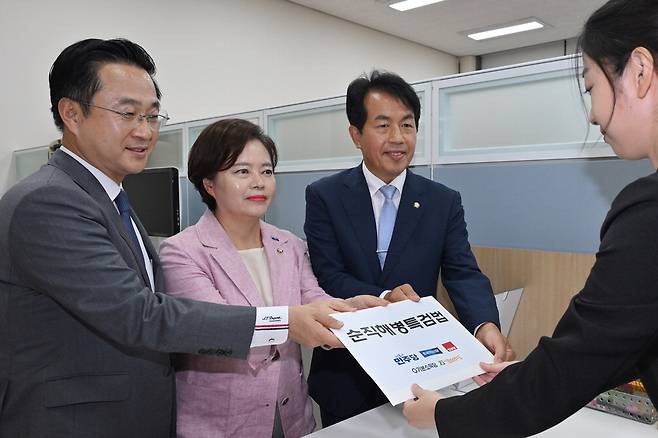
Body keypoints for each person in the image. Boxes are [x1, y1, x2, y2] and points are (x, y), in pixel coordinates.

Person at [0, 38, 360, 438]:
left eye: (153, 116)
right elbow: (143, 315)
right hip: (77, 421)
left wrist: (350, 311)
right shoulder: (50, 201)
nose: (144, 131)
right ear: (71, 113)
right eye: (127, 113)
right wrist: (287, 323)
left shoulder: (111, 198)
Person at [403, 1, 658, 436]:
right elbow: (619, 345)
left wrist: (444, 414)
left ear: (638, 71)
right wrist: (525, 378)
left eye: (590, 86)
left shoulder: (648, 214)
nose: (593, 113)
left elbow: (573, 364)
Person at [304, 69, 515, 426]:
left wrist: (485, 325)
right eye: (383, 125)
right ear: (356, 134)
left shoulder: (442, 201)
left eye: (408, 125)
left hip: (419, 373)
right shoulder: (325, 196)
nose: (398, 138)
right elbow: (328, 274)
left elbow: (463, 273)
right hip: (346, 371)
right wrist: (386, 297)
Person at [159, 119, 387, 438]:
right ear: (209, 184)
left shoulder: (288, 244)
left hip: (290, 415)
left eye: (266, 171)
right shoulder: (181, 252)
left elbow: (312, 299)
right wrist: (290, 322)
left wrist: (350, 309)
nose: (259, 182)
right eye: (242, 171)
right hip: (220, 424)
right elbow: (218, 328)